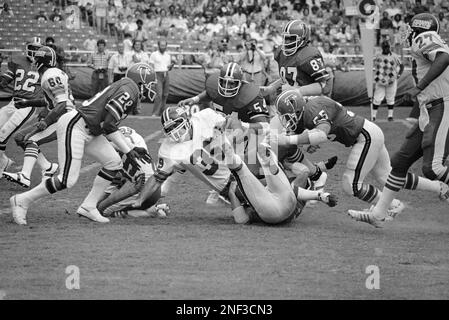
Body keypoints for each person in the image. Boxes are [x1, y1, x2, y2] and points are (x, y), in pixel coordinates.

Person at [9, 62, 156, 225]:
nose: (151, 88)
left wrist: (130, 149)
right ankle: (22, 200)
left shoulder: (127, 86)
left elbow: (106, 126)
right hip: (77, 125)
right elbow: (109, 125)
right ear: (141, 79)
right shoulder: (131, 89)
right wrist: (129, 151)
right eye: (150, 83)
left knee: (113, 163)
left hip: (89, 129)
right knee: (67, 180)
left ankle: (88, 206)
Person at [348, 13, 449, 228]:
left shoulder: (426, 37)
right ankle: (379, 214)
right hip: (429, 109)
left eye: (411, 28)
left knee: (434, 169)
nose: (408, 32)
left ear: (419, 29)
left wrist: (418, 88)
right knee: (400, 163)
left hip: (442, 105)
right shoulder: (421, 44)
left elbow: (444, 57)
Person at [274, 89, 405, 214]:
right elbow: (316, 134)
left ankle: (387, 207)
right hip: (368, 133)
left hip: (365, 136)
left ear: (296, 110)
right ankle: (395, 204)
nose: (286, 120)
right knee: (387, 177)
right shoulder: (306, 110)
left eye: (287, 116)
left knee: (351, 184)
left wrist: (287, 140)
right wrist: (306, 142)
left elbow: (320, 135)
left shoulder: (312, 108)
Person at [3, 46, 74, 188]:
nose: (34, 62)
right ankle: (47, 167)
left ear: (42, 61)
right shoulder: (48, 74)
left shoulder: (51, 75)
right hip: (58, 115)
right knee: (19, 137)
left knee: (30, 139)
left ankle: (24, 175)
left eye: (36, 59)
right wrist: (27, 103)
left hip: (64, 118)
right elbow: (50, 102)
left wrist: (46, 122)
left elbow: (62, 104)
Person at [100, 126, 170, 218]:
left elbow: (114, 182)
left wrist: (97, 203)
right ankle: (152, 206)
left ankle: (152, 211)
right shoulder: (133, 137)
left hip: (142, 187)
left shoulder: (112, 147)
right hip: (155, 187)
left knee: (103, 210)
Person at [0, 37, 44, 176]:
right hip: (13, 103)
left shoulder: (44, 67)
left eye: (38, 49)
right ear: (27, 47)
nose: (35, 51)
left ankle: (0, 166)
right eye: (33, 47)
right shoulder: (17, 61)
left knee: (3, 134)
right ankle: (4, 161)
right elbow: (4, 82)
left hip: (27, 106)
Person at [262, 20, 332, 98]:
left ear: (303, 39)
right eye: (286, 38)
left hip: (307, 102)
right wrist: (271, 88)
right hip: (290, 101)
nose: (287, 42)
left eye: (291, 38)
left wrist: (298, 91)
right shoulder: (281, 53)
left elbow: (323, 84)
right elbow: (287, 79)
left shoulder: (308, 55)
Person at [371, 40, 404, 121]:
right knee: (377, 98)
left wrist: (399, 74)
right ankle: (373, 116)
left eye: (387, 47)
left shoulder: (395, 56)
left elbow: (402, 65)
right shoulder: (378, 55)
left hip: (391, 80)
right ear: (382, 48)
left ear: (389, 47)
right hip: (380, 80)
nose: (386, 49)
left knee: (391, 98)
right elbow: (369, 62)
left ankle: (390, 116)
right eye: (384, 47)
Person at [149, 40, 176, 117]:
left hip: (166, 74)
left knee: (165, 95)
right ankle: (155, 113)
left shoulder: (168, 55)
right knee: (159, 94)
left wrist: (171, 66)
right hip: (157, 74)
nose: (163, 47)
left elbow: (169, 68)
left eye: (164, 46)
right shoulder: (154, 54)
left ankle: (162, 112)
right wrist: (152, 76)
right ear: (158, 46)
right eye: (162, 45)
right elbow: (151, 65)